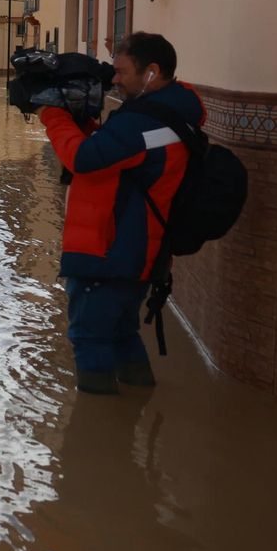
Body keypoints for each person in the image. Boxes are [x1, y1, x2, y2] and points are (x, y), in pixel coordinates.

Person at [37, 33, 205, 394]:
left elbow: (84, 159)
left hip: (110, 249)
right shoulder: (167, 112)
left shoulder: (144, 121)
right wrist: (82, 124)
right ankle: (134, 407)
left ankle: (96, 432)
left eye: (122, 71)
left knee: (89, 337)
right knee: (120, 331)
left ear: (151, 72)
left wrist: (51, 112)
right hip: (136, 248)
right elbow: (117, 154)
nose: (114, 79)